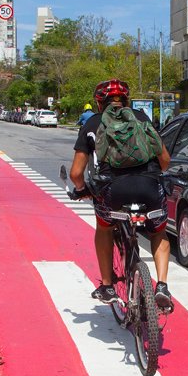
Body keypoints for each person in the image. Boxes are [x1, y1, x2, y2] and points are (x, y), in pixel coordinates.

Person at [69, 79, 174, 310]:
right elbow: (165, 161)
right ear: (126, 100)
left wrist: (81, 190)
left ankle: (107, 285)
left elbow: (76, 173)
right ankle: (163, 286)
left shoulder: (91, 125)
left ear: (99, 103)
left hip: (113, 191)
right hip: (149, 188)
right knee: (158, 232)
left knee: (104, 227)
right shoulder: (143, 119)